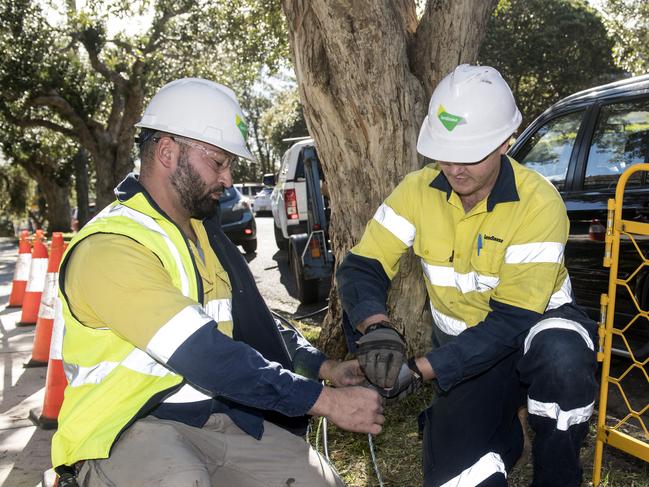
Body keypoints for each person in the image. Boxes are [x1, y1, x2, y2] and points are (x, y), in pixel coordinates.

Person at [51, 78, 383, 487]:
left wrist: (324, 367)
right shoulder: (111, 248)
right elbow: (205, 353)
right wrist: (325, 401)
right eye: (218, 162)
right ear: (168, 152)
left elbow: (250, 324)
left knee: (319, 482)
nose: (228, 180)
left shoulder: (203, 234)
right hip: (123, 430)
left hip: (213, 419)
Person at [337, 64, 597, 487]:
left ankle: (558, 472)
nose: (455, 169)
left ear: (504, 143)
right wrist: (375, 325)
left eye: (471, 155)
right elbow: (362, 265)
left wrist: (420, 368)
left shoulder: (539, 203)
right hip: (465, 354)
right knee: (454, 476)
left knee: (562, 362)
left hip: (533, 335)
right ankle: (504, 435)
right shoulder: (417, 191)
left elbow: (513, 322)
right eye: (446, 154)